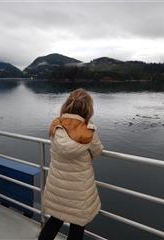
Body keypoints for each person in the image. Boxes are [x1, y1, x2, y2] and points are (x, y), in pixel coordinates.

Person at [39, 88, 104, 240]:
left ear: (67, 104)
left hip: (57, 187)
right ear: (88, 108)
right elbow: (98, 151)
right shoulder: (89, 131)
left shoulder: (56, 126)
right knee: (77, 225)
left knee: (55, 220)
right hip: (78, 191)